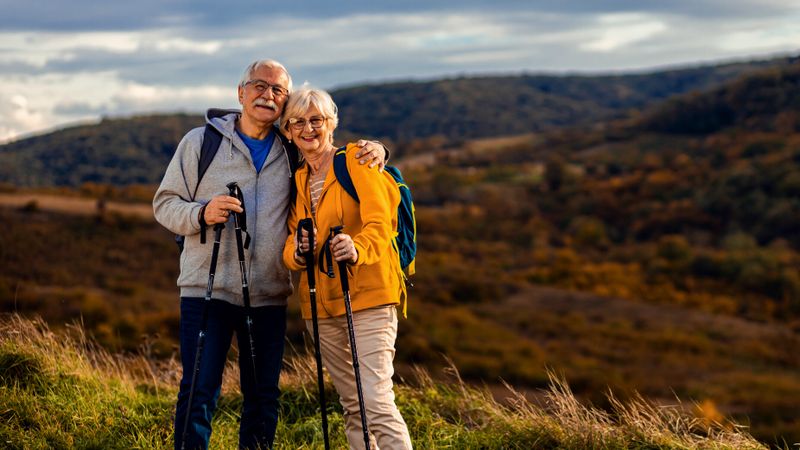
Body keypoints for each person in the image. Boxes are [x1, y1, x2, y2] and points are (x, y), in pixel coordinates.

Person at [153, 59, 387, 450]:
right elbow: (164, 205)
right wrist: (201, 212)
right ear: (240, 92)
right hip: (204, 290)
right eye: (259, 86)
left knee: (262, 399)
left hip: (267, 295)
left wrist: (378, 149)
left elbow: (325, 153)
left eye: (278, 90)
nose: (268, 95)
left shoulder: (290, 148)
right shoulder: (200, 142)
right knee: (198, 393)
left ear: (284, 104)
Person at [282, 87, 412, 450]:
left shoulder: (357, 159)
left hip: (368, 298)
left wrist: (357, 248)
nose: (308, 129)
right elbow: (290, 246)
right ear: (289, 130)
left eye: (316, 120)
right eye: (298, 123)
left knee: (376, 402)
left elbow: (381, 223)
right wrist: (298, 252)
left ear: (331, 124)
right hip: (321, 309)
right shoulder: (298, 180)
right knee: (353, 406)